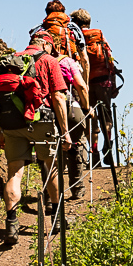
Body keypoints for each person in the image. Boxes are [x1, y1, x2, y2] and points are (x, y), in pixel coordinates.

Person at [0, 32, 72, 245]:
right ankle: (56, 219)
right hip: (41, 120)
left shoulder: (9, 61)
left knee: (14, 173)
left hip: (11, 124)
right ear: (45, 44)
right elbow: (58, 97)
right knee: (51, 167)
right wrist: (65, 132)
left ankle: (11, 223)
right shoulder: (49, 61)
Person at [70, 9, 120, 167]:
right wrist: (114, 84)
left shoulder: (75, 37)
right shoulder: (98, 35)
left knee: (89, 116)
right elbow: (109, 60)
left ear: (76, 22)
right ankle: (108, 149)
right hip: (104, 81)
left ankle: (94, 153)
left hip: (85, 83)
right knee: (106, 117)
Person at [54, 49, 91, 200]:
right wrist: (86, 107)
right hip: (71, 107)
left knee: (53, 152)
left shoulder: (37, 62)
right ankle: (77, 188)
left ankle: (52, 196)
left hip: (47, 110)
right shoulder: (67, 61)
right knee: (76, 145)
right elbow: (81, 86)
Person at [30, 0, 90, 83]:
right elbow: (85, 59)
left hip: (46, 73)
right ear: (63, 12)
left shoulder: (40, 29)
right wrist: (85, 84)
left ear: (47, 13)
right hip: (68, 73)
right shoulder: (72, 28)